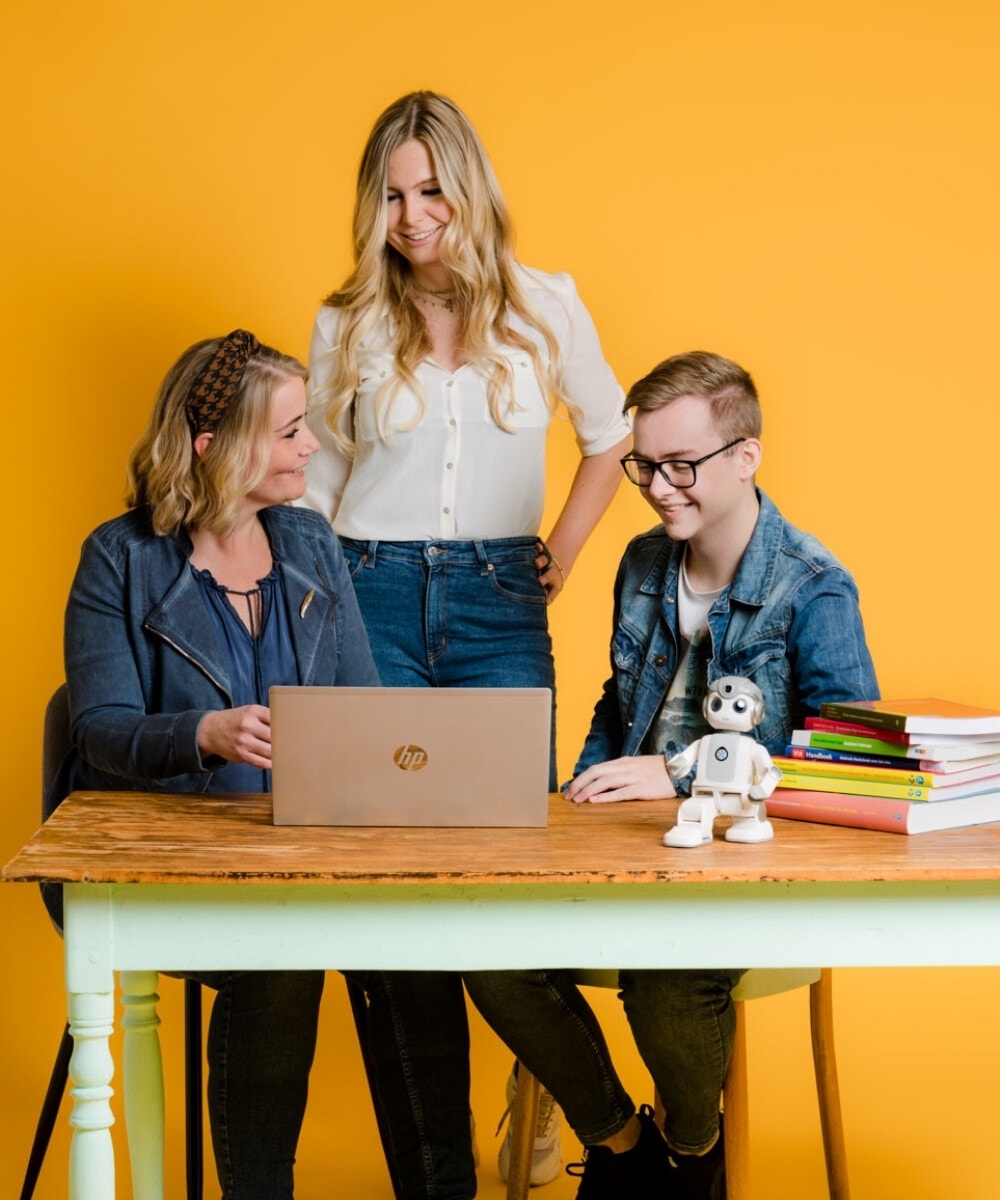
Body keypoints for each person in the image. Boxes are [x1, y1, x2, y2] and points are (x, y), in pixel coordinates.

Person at [299, 91, 632, 1194]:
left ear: (469, 187)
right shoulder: (346, 323)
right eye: (392, 196)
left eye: (431, 190)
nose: (412, 217)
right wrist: (317, 610)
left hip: (498, 603)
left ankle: (556, 1105)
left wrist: (562, 553)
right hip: (370, 592)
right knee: (395, 880)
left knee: (510, 870)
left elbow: (610, 437)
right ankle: (436, 1172)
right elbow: (321, 484)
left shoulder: (547, 306)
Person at [464, 349, 880, 1200]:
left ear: (746, 455)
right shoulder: (643, 562)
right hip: (624, 854)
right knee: (481, 945)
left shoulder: (814, 588)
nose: (658, 487)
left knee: (665, 977)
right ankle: (622, 1146)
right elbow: (619, 702)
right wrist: (580, 795)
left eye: (681, 465)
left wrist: (682, 777)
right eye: (644, 465)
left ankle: (696, 1154)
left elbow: (848, 767)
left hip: (748, 873)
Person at [49, 330, 381, 1200]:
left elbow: (366, 707)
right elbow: (100, 729)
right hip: (163, 865)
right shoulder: (119, 557)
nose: (313, 447)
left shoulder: (311, 544)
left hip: (297, 859)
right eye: (291, 432)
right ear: (213, 446)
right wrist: (206, 733)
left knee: (414, 951)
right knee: (282, 955)